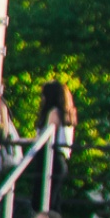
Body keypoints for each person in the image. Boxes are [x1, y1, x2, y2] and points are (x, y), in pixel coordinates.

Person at [37, 79, 77, 209]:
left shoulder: (53, 113)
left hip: (51, 159)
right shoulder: (67, 114)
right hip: (61, 159)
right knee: (53, 202)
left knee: (43, 202)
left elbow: (46, 137)